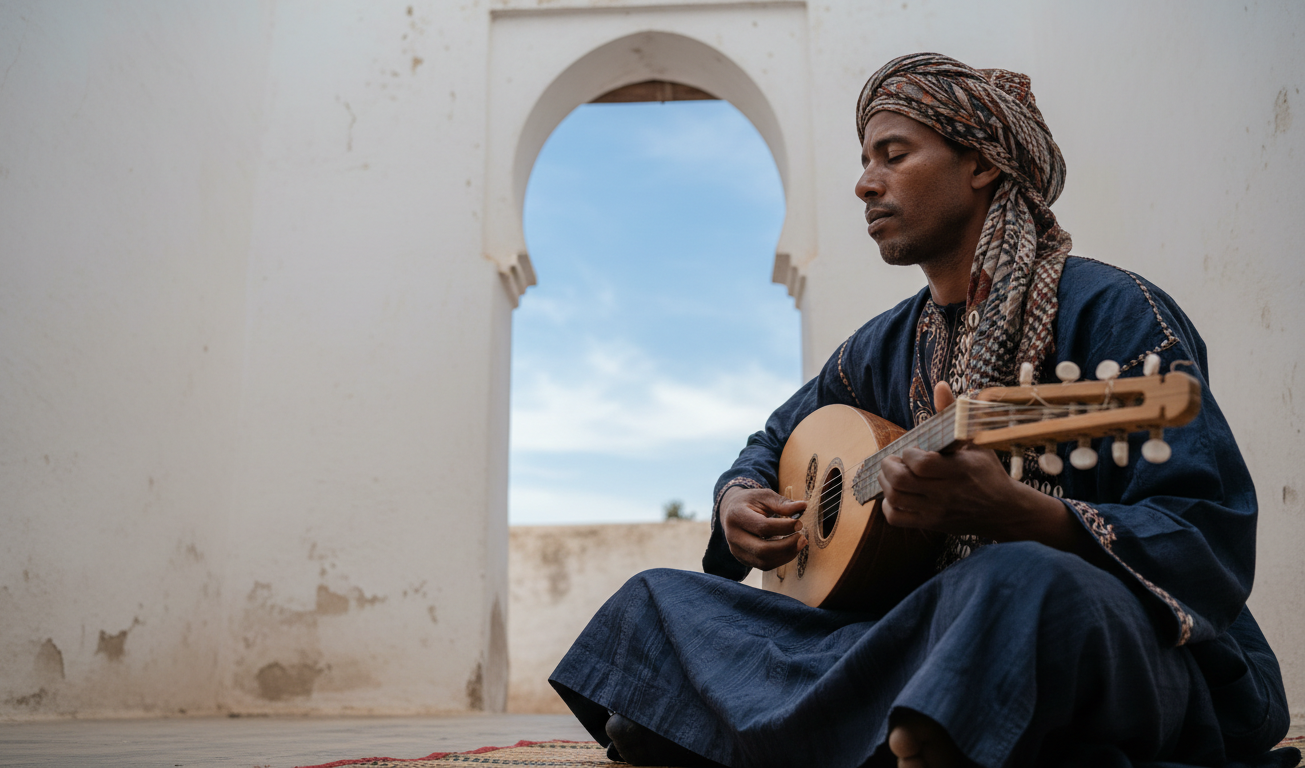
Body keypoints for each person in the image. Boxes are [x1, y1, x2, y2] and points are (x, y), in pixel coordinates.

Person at [548, 53, 1296, 768]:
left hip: (1122, 646)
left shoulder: (1117, 314)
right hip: (916, 637)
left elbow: (1210, 534)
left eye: (892, 154)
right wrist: (739, 499)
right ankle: (921, 724)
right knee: (658, 597)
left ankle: (777, 729)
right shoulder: (880, 347)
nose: (864, 184)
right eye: (865, 160)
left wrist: (1020, 515)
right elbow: (770, 440)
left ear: (980, 163)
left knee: (1017, 585)